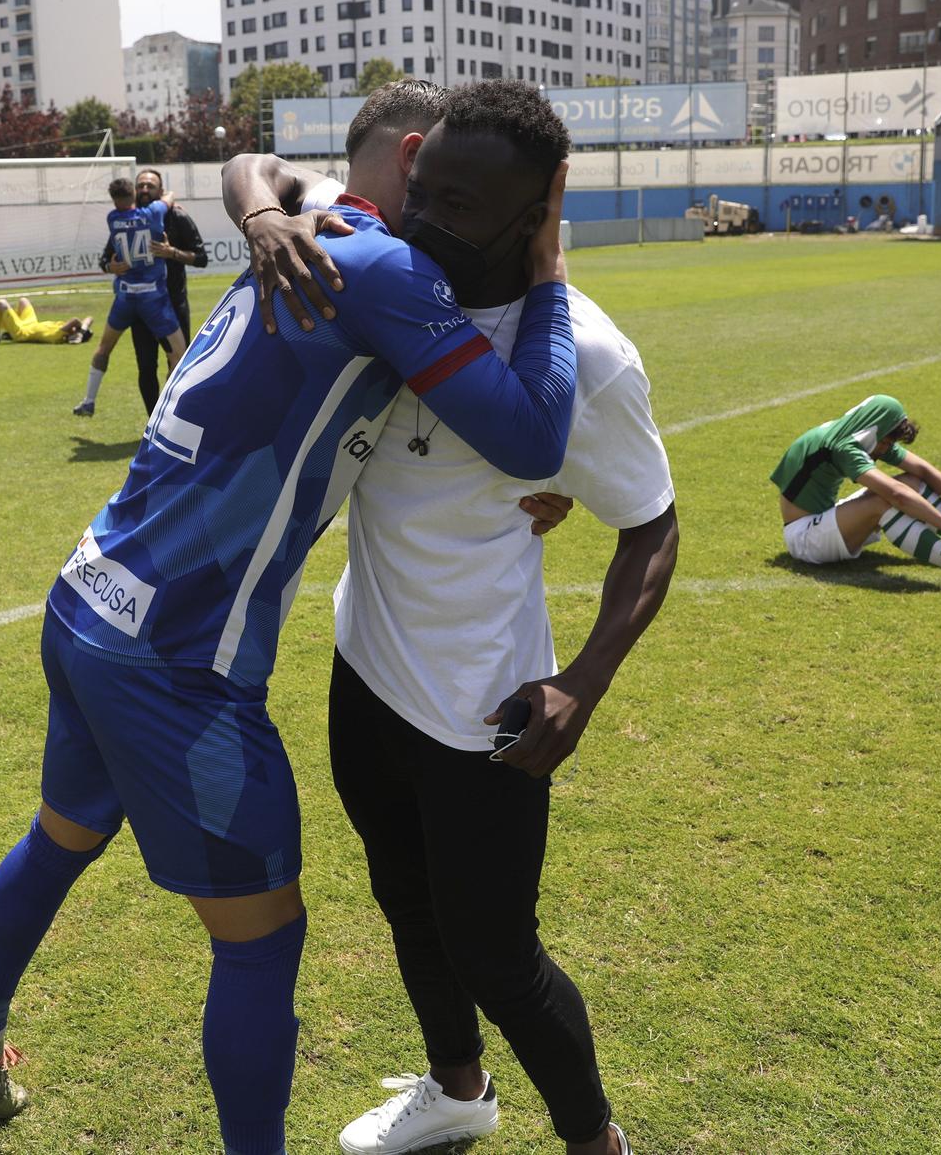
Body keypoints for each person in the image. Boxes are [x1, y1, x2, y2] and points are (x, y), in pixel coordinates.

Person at [0, 83, 585, 1155]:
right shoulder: (386, 266)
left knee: (63, 833)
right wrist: (545, 271)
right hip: (177, 660)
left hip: (90, 592)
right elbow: (534, 434)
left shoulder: (329, 223)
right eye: (448, 195)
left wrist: (261, 207)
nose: (461, 224)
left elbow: (258, 169)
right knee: (261, 941)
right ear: (408, 162)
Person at [224, 81, 669, 1155]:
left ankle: (593, 1141)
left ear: (537, 214)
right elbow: (259, 171)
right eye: (421, 190)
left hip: (483, 712)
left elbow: (650, 527)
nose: (424, 221)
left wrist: (583, 683)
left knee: (496, 956)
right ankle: (456, 1089)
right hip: (361, 664)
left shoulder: (586, 360)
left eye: (461, 209)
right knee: (402, 905)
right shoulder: (371, 254)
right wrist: (264, 215)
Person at [771, 394, 941, 595]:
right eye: (888, 441)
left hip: (823, 521)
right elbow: (895, 494)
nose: (886, 449)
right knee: (884, 500)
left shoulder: (858, 433)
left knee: (911, 481)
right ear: (875, 429)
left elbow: (922, 471)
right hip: (804, 538)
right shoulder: (843, 445)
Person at [74, 177, 188, 418]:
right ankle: (169, 414)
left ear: (114, 200)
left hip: (125, 298)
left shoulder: (112, 219)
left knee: (104, 348)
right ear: (134, 195)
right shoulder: (153, 213)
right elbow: (169, 197)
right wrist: (169, 201)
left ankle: (88, 400)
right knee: (180, 354)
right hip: (153, 298)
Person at [130, 168, 209, 409]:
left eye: (150, 185)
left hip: (173, 304)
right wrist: (111, 265)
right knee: (146, 366)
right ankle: (151, 423)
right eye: (140, 185)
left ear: (161, 191)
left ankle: (170, 419)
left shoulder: (177, 217)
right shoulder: (128, 220)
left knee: (178, 363)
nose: (144, 190)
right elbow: (106, 258)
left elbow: (201, 258)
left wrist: (171, 252)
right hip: (140, 306)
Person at [0, 296, 93, 345]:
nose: (74, 328)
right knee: (23, 300)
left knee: (1, 303)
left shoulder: (58, 336)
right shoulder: (66, 329)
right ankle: (8, 332)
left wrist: (80, 332)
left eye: (74, 330)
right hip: (31, 324)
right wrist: (82, 331)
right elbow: (89, 318)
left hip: (21, 332)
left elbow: (75, 320)